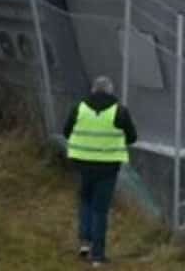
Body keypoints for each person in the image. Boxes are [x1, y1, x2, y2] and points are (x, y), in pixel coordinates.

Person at [64, 76, 138, 267]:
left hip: (82, 165)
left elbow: (66, 132)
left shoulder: (79, 108)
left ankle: (84, 243)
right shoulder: (120, 112)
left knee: (85, 201)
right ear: (110, 91)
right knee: (100, 210)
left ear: (93, 90)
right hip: (107, 168)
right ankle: (97, 255)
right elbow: (132, 137)